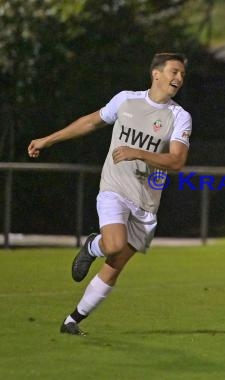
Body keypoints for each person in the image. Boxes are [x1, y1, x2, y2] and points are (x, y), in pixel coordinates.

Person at [27, 53, 192, 335]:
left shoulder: (180, 117)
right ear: (156, 74)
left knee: (115, 265)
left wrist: (138, 153)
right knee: (114, 244)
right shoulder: (126, 100)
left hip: (147, 204)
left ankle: (72, 321)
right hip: (114, 190)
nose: (178, 78)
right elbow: (90, 122)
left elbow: (177, 161)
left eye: (182, 75)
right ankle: (94, 245)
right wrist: (47, 139)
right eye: (174, 72)